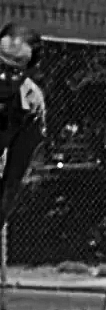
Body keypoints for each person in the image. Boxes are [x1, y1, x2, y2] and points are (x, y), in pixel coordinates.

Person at [0, 23, 47, 225]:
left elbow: (13, 177)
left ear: (30, 71)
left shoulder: (31, 104)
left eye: (14, 71)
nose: (2, 77)